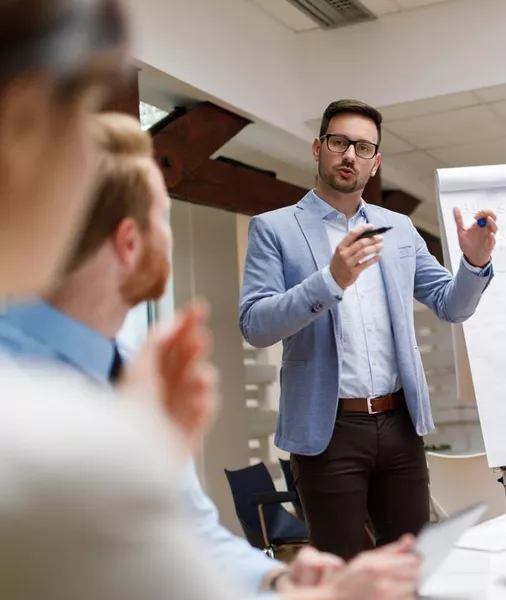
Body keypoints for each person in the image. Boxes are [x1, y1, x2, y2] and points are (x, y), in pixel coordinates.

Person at [0, 3, 415, 600]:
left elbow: (191, 529)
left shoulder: (129, 371)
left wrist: (275, 576)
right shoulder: (36, 401)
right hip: (326, 438)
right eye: (165, 215)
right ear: (130, 241)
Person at [239, 98, 498, 559]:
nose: (349, 155)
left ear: (375, 161)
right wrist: (330, 280)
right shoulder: (274, 229)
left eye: (363, 147)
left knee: (412, 569)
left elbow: (450, 305)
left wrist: (474, 263)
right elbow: (255, 325)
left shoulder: (398, 229)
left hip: (399, 426)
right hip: (328, 431)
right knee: (344, 571)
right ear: (318, 148)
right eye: (339, 142)